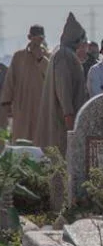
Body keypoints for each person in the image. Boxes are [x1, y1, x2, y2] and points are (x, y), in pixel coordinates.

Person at [37, 13, 89, 154]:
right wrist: (69, 118)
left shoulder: (64, 54)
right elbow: (63, 89)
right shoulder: (64, 56)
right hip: (63, 121)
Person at [0, 24, 50, 144]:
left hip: (41, 108)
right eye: (35, 38)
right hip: (22, 107)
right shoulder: (19, 56)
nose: (38, 41)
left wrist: (40, 58)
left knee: (40, 141)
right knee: (21, 140)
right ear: (29, 37)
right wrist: (5, 103)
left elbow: (51, 77)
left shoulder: (48, 57)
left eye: (40, 38)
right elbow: (10, 81)